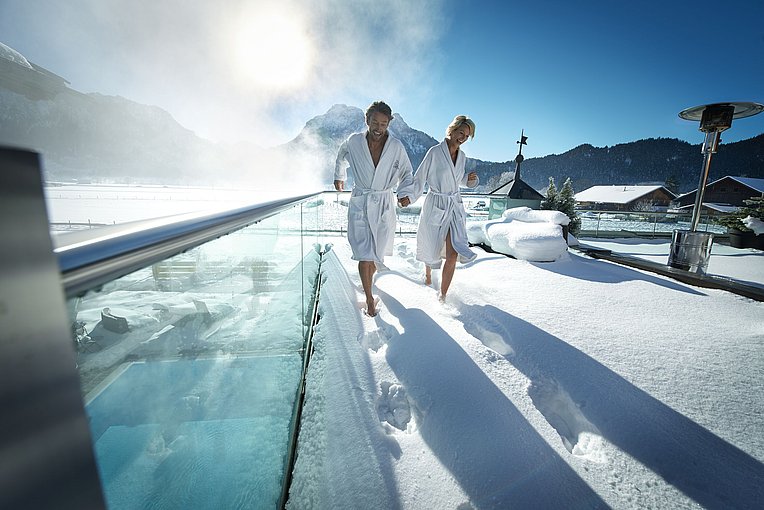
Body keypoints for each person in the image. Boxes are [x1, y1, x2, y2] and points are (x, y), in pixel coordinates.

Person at [334, 101, 415, 316]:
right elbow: (341, 155)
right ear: (367, 121)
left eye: (384, 124)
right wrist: (339, 176)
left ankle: (368, 284)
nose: (379, 128)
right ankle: (369, 298)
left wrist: (405, 193)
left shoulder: (396, 146)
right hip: (361, 200)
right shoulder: (354, 141)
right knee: (364, 253)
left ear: (389, 123)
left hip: (383, 204)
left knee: (375, 252)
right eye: (375, 123)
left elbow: (407, 172)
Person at [410, 115, 478, 301]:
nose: (463, 138)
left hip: (454, 206)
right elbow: (420, 177)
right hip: (436, 203)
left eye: (467, 135)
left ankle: (443, 294)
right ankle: (428, 274)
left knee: (453, 252)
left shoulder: (462, 157)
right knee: (431, 243)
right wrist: (409, 196)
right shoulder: (434, 152)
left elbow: (458, 181)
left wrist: (470, 181)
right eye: (461, 132)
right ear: (452, 130)